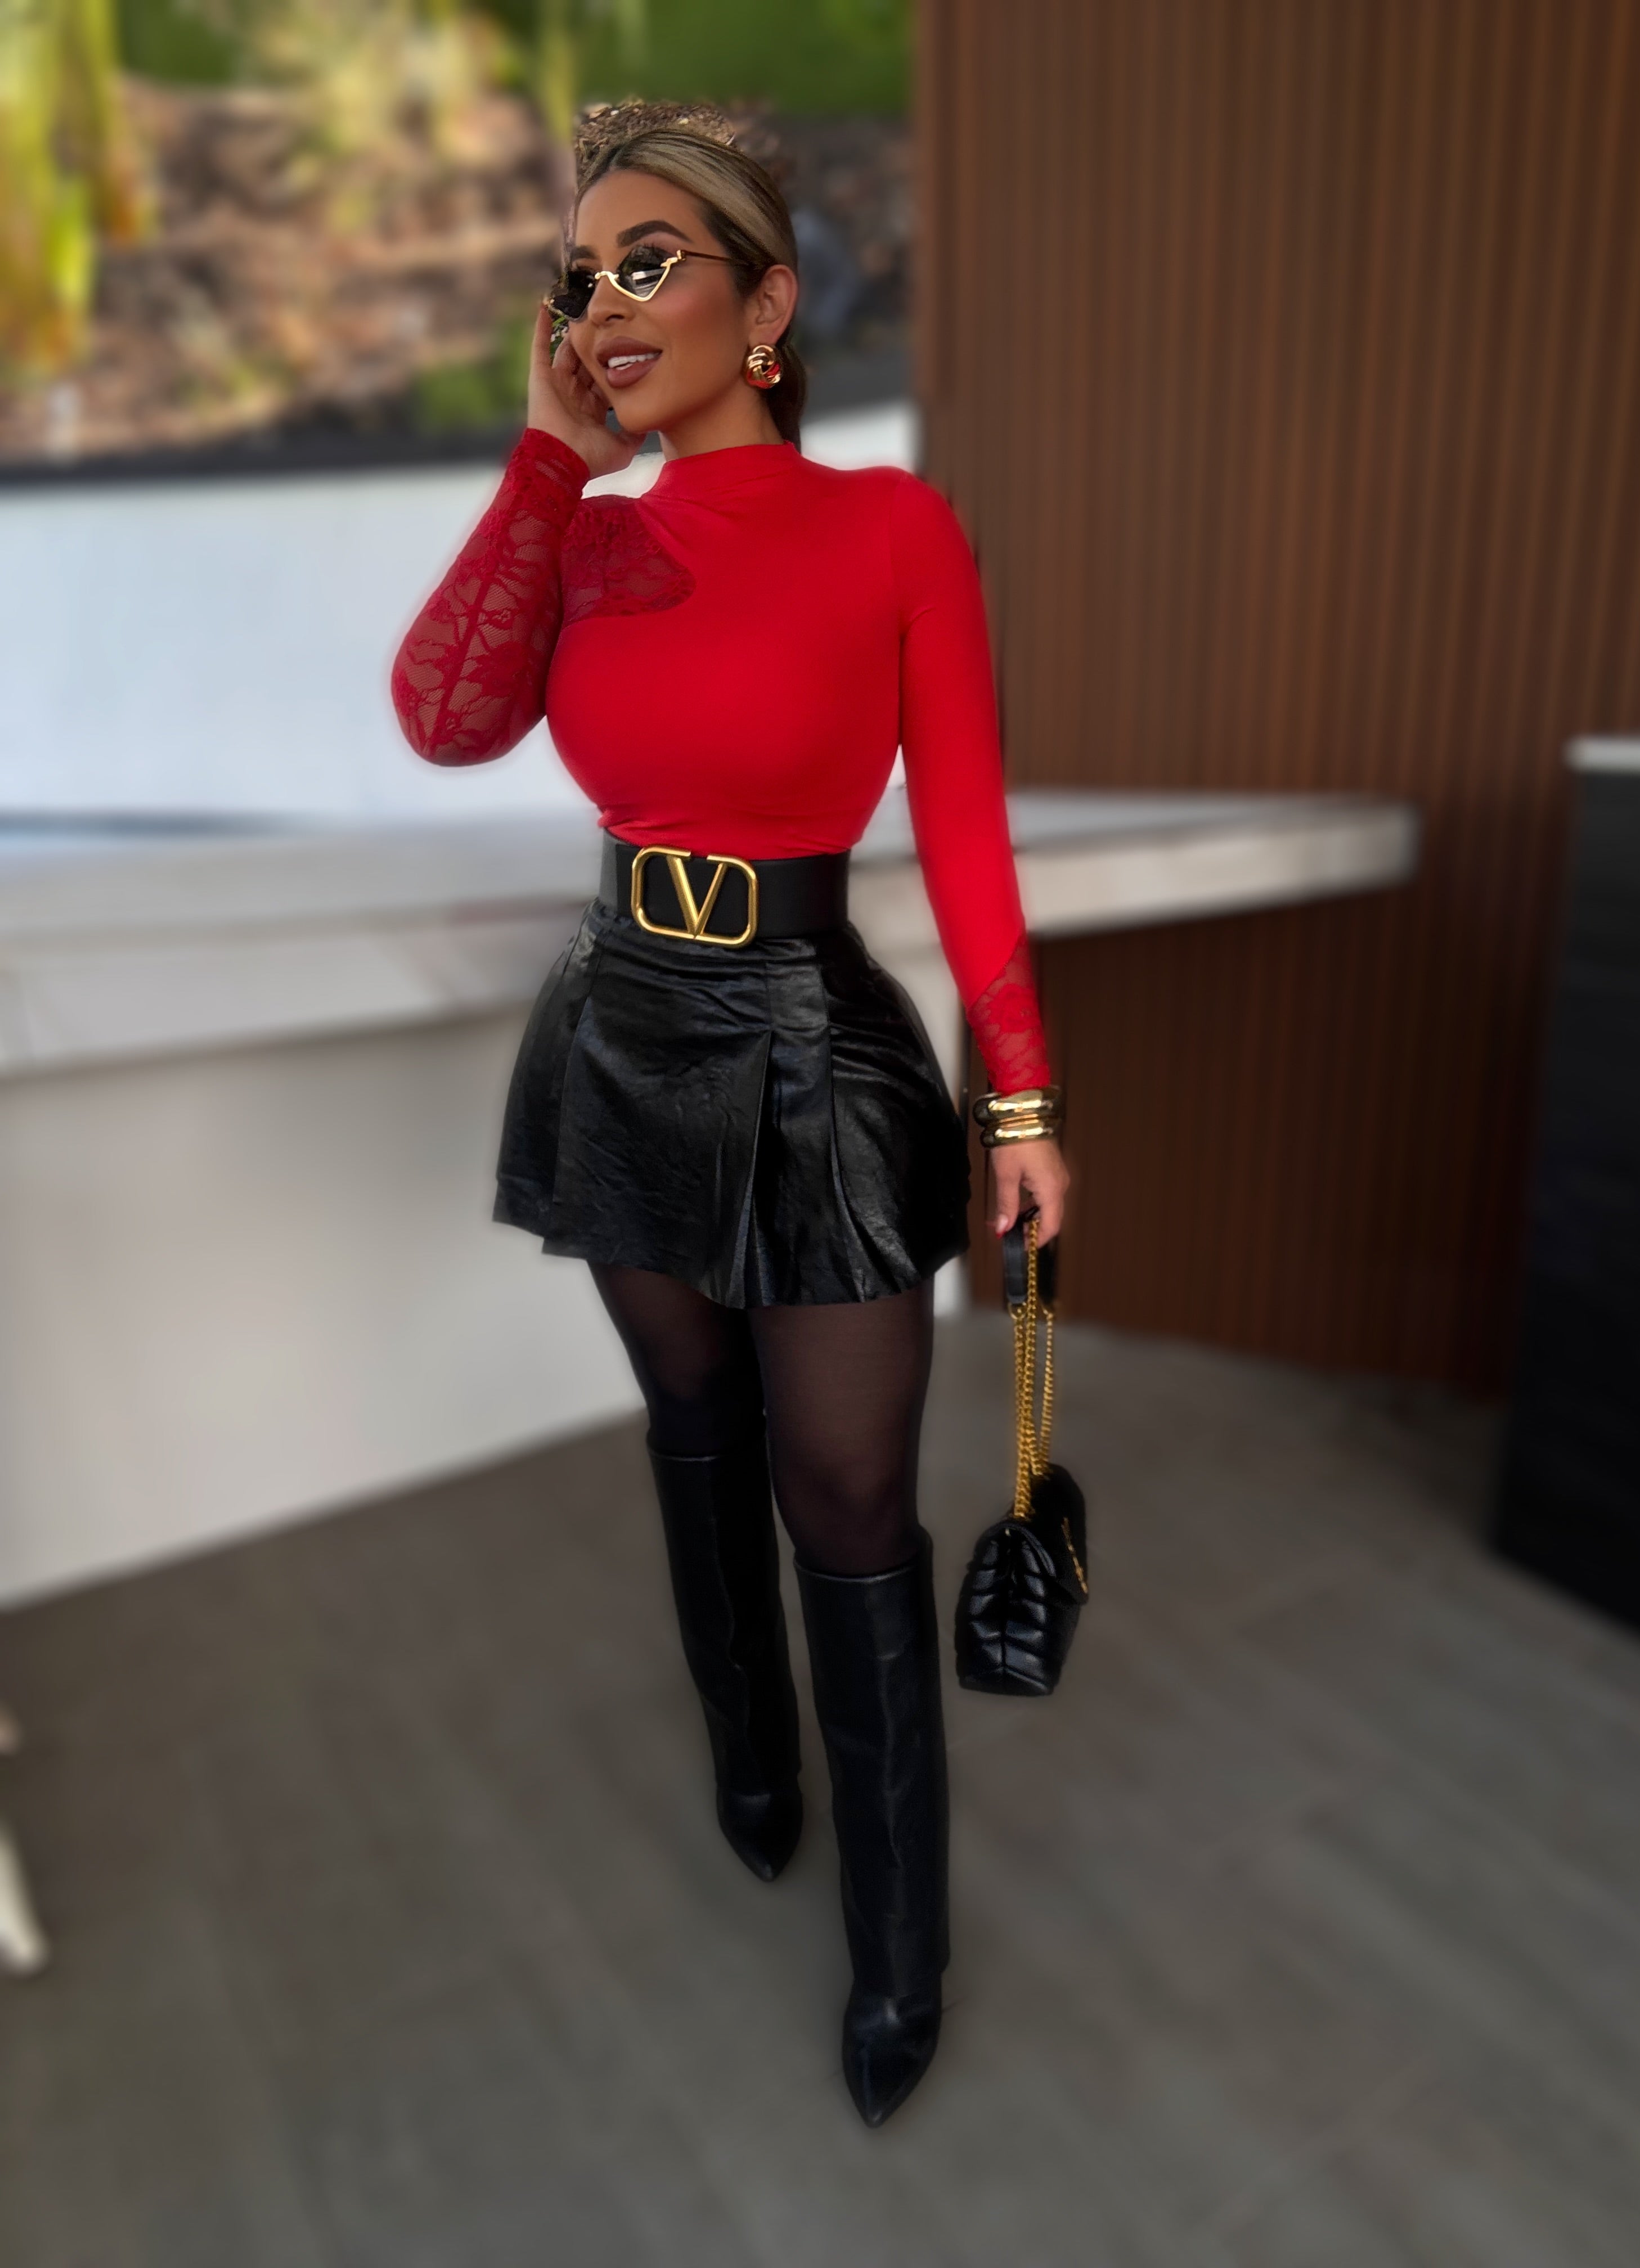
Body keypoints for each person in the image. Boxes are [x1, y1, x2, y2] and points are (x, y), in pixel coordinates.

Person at [389, 99, 1068, 2128]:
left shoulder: (890, 532)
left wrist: (1019, 1098)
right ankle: (751, 1762)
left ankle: (900, 1949)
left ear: (767, 305)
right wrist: (546, 458)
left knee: (845, 1500)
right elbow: (446, 716)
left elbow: (967, 831)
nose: (604, 306)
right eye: (577, 276)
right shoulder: (587, 537)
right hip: (621, 1029)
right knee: (694, 1433)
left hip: (808, 1039)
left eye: (648, 262)